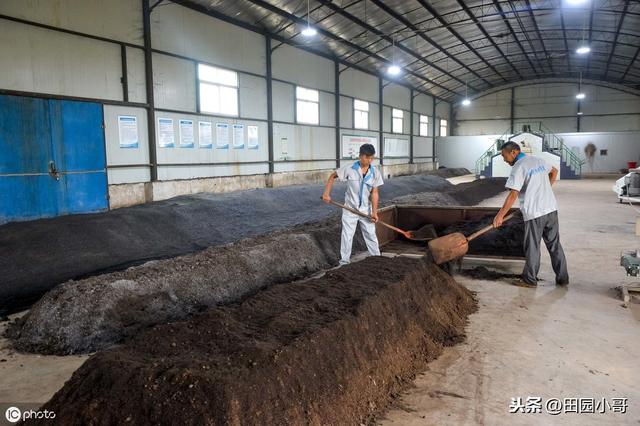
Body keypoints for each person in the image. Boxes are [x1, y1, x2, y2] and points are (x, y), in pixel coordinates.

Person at [493, 141, 569, 288]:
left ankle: (529, 280)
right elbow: (554, 171)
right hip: (551, 209)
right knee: (554, 245)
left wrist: (500, 215)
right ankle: (563, 278)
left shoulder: (519, 166)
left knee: (533, 246)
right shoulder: (537, 160)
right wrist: (545, 189)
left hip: (535, 213)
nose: (504, 159)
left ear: (514, 152)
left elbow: (513, 194)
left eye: (504, 155)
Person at [322, 143, 384, 265]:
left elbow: (375, 193)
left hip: (366, 210)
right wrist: (326, 194)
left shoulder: (375, 172)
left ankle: (377, 259)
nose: (369, 160)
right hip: (350, 209)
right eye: (367, 157)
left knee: (371, 235)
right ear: (361, 156)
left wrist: (374, 212)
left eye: (372, 158)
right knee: (347, 236)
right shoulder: (349, 168)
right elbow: (332, 176)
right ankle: (344, 262)